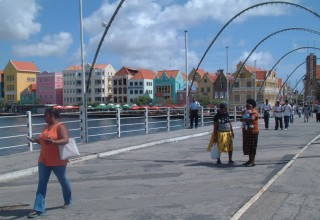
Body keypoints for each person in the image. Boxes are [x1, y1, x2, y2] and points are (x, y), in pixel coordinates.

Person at [27, 108, 72, 218]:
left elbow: (66, 140)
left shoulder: (60, 126)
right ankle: (39, 208)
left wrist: (54, 142)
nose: (44, 117)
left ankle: (68, 201)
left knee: (63, 181)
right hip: (43, 160)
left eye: (46, 115)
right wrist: (35, 140)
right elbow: (43, 141)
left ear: (52, 115)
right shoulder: (46, 127)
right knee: (42, 183)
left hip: (58, 160)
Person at [240, 99, 259, 167]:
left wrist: (244, 119)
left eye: (248, 104)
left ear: (252, 105)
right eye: (246, 104)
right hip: (246, 131)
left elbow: (252, 119)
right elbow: (241, 118)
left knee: (252, 146)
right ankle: (249, 160)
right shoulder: (246, 111)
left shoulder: (254, 111)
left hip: (253, 131)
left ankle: (252, 161)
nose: (246, 105)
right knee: (248, 146)